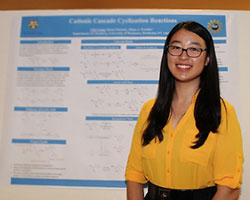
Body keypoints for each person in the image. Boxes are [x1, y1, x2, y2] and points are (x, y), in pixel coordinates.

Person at [125, 21, 243, 200]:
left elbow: (229, 187)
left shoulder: (222, 112)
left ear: (207, 59)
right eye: (176, 48)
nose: (183, 56)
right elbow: (134, 174)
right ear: (167, 55)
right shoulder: (149, 110)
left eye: (194, 49)